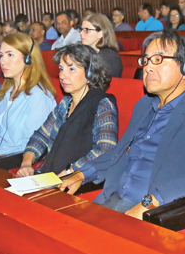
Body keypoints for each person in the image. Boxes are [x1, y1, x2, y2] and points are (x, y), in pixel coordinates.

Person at [59, 30, 185, 217]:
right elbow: (118, 153)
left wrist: (150, 202)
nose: (148, 67)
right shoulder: (144, 105)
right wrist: (82, 174)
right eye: (146, 60)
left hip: (153, 212)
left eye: (158, 60)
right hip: (112, 198)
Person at [17, 45, 118, 177]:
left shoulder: (103, 105)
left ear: (90, 72)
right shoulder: (65, 103)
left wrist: (71, 171)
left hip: (78, 180)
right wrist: (27, 163)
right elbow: (41, 135)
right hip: (49, 176)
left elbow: (106, 150)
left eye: (71, 69)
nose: (63, 76)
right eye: (61, 69)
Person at [0, 33, 57, 160]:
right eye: (1, 55)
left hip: (12, 164)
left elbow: (30, 147)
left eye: (10, 55)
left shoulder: (39, 96)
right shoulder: (6, 92)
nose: (2, 61)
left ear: (28, 59)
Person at [80, 13, 123, 78]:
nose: (81, 33)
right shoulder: (82, 53)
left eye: (87, 30)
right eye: (81, 29)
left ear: (100, 34)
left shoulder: (110, 57)